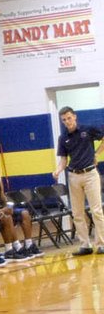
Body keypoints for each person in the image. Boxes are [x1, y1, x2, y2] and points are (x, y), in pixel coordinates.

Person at [52, 105, 104, 255]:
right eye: (64, 120)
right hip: (73, 176)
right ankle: (85, 245)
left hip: (90, 174)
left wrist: (97, 154)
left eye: (69, 118)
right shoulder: (63, 138)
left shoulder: (87, 130)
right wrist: (58, 170)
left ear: (74, 116)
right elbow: (63, 159)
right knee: (77, 213)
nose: (67, 121)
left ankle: (101, 243)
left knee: (96, 210)